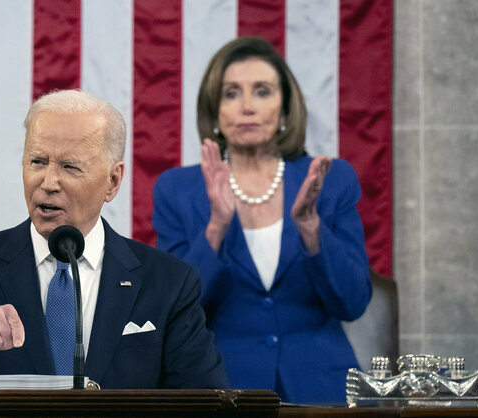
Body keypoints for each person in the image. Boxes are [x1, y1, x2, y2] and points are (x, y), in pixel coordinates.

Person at [0, 90, 227, 390]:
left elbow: (206, 404)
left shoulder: (168, 283)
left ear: (112, 181)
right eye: (37, 161)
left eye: (70, 167)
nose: (48, 182)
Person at [152, 37, 371, 404]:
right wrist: (216, 226)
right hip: (222, 390)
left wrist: (311, 230)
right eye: (232, 93)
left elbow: (352, 303)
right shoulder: (178, 189)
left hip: (322, 391)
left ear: (286, 111)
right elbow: (172, 313)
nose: (248, 106)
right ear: (215, 112)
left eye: (263, 92)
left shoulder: (331, 180)